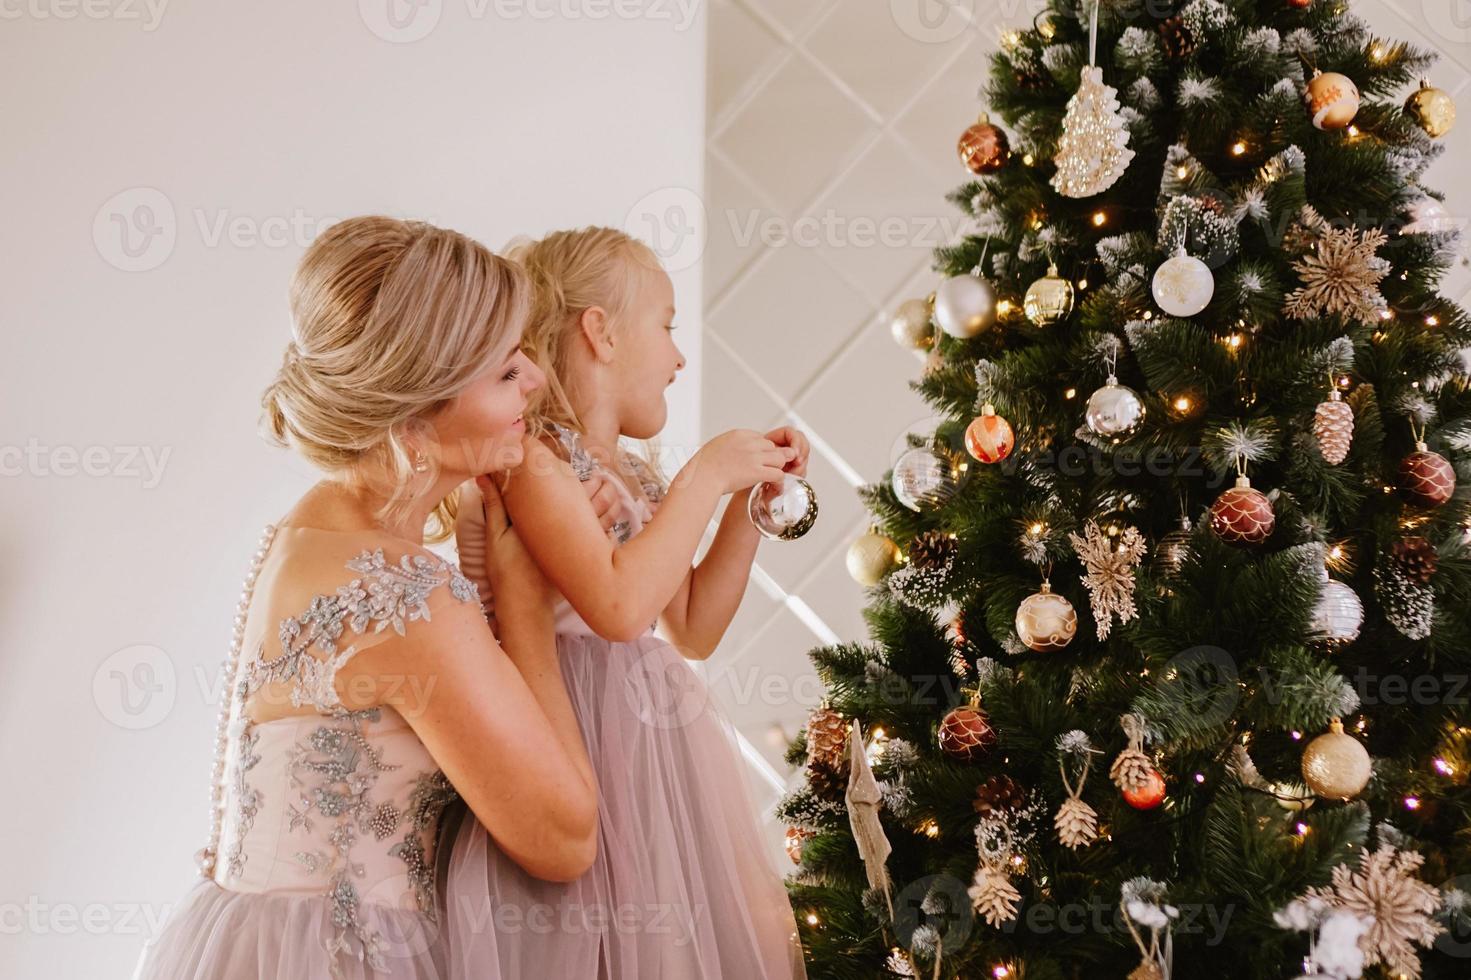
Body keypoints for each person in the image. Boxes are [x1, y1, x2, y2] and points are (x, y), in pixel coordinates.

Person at [134, 216, 606, 979]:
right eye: (505, 372)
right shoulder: (404, 594)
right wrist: (524, 613)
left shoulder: (312, 528)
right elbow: (563, 838)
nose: (538, 380)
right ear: (415, 414)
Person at [446, 226, 809, 978]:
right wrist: (703, 478)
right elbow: (613, 608)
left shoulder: (635, 481)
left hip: (648, 760)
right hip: (562, 736)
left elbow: (693, 625)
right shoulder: (532, 464)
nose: (678, 357)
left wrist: (745, 502)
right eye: (667, 325)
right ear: (600, 332)